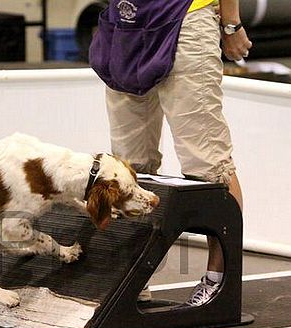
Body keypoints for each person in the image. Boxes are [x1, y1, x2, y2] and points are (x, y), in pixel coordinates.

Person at [92, 0, 252, 306]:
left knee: (207, 164)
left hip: (185, 18)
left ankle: (219, 280)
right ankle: (133, 280)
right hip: (126, 23)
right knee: (128, 168)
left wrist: (231, 23)